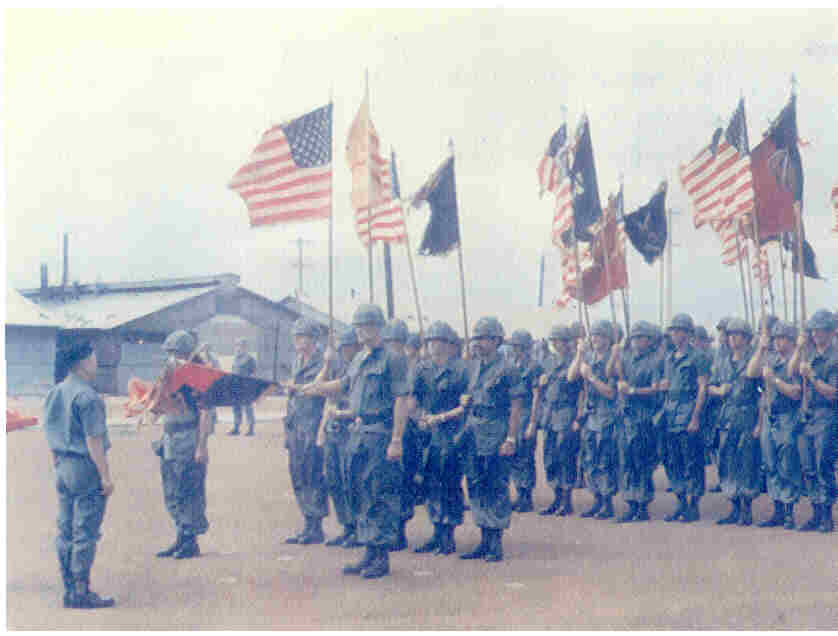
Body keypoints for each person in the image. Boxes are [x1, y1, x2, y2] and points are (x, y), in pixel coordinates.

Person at [303, 304, 409, 579]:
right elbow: (344, 384)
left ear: (379, 328)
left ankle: (381, 557)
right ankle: (369, 552)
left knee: (378, 494)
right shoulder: (360, 358)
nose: (361, 330)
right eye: (358, 325)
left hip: (381, 432)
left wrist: (397, 439)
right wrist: (316, 388)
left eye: (366, 325)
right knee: (360, 492)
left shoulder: (393, 359)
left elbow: (401, 400)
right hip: (359, 433)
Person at [43, 339, 115, 609]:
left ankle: (69, 588)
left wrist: (58, 463)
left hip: (62, 465)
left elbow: (50, 432)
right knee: (85, 531)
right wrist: (106, 477)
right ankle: (81, 592)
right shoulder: (88, 396)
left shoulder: (56, 391)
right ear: (83, 362)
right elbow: (94, 440)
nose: (96, 362)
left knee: (65, 530)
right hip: (85, 468)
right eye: (94, 357)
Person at [458, 316, 524, 562]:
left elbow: (516, 406)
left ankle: (495, 542)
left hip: (496, 431)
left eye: (483, 338)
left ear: (496, 340)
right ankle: (484, 539)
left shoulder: (508, 368)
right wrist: (465, 400)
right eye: (476, 338)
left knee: (495, 485)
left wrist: (511, 438)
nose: (478, 343)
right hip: (474, 431)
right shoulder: (473, 366)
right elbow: (470, 395)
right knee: (476, 485)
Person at [407, 321, 470, 555]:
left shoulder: (462, 369)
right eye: (431, 341)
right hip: (427, 435)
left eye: (439, 341)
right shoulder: (421, 369)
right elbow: (411, 401)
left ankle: (448, 535)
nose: (434, 346)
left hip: (453, 433)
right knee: (430, 483)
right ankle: (436, 532)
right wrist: (421, 416)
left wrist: (440, 417)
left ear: (448, 344)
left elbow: (467, 404)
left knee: (449, 483)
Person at [154, 330, 211, 560]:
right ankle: (181, 536)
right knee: (172, 490)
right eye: (169, 354)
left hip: (188, 438)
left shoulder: (199, 377)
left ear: (187, 355)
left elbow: (206, 413)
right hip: (170, 438)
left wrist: (201, 446)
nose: (171, 358)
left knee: (188, 489)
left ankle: (190, 542)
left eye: (175, 354)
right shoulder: (170, 375)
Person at [747, 321, 802, 529]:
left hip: (787, 416)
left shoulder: (794, 362)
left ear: (790, 340)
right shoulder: (769, 358)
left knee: (786, 463)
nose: (778, 342)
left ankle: (789, 510)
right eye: (776, 338)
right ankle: (777, 509)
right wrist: (760, 349)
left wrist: (775, 380)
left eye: (783, 338)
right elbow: (751, 372)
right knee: (770, 464)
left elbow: (796, 393)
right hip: (769, 416)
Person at [281, 318, 329, 545]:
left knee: (312, 475)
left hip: (313, 423)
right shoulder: (297, 360)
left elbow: (323, 391)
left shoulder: (324, 362)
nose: (298, 341)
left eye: (303, 336)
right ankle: (307, 523)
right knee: (297, 474)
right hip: (295, 424)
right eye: (296, 336)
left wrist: (297, 387)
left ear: (313, 339)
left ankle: (316, 526)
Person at [710, 318, 761, 526]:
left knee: (747, 461)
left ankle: (747, 509)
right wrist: (718, 390)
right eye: (730, 334)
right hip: (727, 415)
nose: (732, 338)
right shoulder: (722, 360)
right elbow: (709, 387)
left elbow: (763, 395)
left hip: (748, 414)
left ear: (747, 338)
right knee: (727, 461)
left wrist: (759, 424)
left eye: (737, 334)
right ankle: (734, 507)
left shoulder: (754, 360)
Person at [791, 309, 838, 533]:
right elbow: (791, 372)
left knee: (823, 465)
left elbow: (832, 393)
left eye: (821, 329)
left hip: (826, 415)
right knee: (808, 466)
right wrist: (799, 348)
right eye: (814, 329)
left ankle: (827, 515)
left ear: (831, 332)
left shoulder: (834, 357)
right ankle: (816, 512)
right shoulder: (807, 355)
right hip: (807, 416)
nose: (817, 333)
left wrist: (812, 376)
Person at [659, 314, 708, 523]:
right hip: (670, 413)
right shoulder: (669, 358)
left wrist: (695, 417)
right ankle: (681, 502)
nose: (675, 334)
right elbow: (668, 384)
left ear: (688, 334)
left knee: (692, 461)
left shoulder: (698, 357)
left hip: (688, 411)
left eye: (679, 330)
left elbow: (703, 387)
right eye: (673, 330)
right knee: (673, 460)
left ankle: (693, 505)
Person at [317, 328, 362, 548]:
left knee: (350, 481)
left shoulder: (361, 367)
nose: (345, 350)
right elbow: (320, 389)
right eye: (342, 347)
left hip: (352, 429)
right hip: (334, 429)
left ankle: (357, 527)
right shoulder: (338, 366)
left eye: (349, 346)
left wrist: (340, 410)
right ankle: (347, 525)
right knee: (334, 480)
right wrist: (326, 364)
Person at [569, 320, 619, 520]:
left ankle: (607, 503)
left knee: (604, 461)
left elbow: (610, 392)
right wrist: (580, 353)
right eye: (594, 335)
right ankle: (596, 499)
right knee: (589, 459)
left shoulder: (613, 360)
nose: (596, 339)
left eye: (600, 335)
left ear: (608, 338)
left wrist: (591, 378)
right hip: (590, 416)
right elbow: (570, 377)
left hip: (606, 416)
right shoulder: (588, 357)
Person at [614, 321, 663, 523]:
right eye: (633, 338)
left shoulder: (654, 361)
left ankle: (642, 505)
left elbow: (656, 388)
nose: (636, 341)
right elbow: (614, 374)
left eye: (640, 337)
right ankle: (630, 503)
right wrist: (616, 353)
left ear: (649, 341)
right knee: (627, 462)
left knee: (641, 461)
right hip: (626, 417)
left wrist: (633, 391)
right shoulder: (626, 359)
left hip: (644, 417)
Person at [381, 317, 423, 551]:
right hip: (386, 429)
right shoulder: (387, 363)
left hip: (407, 430)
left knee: (404, 480)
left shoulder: (413, 367)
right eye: (390, 341)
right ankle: (388, 529)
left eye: (397, 342)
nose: (393, 346)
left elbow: (414, 400)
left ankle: (400, 530)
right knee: (386, 482)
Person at [537, 325, 583, 516]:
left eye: (559, 341)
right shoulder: (547, 360)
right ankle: (556, 499)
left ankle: (567, 501)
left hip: (566, 412)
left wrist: (578, 417)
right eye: (553, 341)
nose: (556, 344)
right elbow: (540, 387)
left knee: (565, 457)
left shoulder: (575, 360)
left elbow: (579, 388)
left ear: (567, 343)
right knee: (550, 457)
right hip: (549, 413)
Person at [507, 329, 543, 513]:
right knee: (514, 455)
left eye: (519, 346)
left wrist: (532, 422)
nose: (516, 349)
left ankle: (526, 497)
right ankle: (519, 494)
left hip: (527, 412)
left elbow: (537, 395)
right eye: (514, 346)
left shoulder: (534, 366)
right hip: (514, 414)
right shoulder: (511, 364)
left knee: (525, 457)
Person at [229, 338, 257, 436]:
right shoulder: (236, 358)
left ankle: (251, 428)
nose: (238, 347)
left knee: (248, 408)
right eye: (236, 345)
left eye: (240, 345)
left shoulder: (250, 359)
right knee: (236, 408)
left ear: (245, 347)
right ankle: (236, 427)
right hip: (236, 386)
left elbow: (254, 373)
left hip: (246, 386)